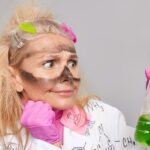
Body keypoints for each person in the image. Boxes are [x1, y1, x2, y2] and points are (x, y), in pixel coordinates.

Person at [0, 2, 146, 150]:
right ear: (15, 77)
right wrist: (47, 145)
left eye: (71, 63)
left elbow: (143, 145)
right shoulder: (4, 138)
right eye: (49, 63)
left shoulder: (105, 117)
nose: (68, 76)